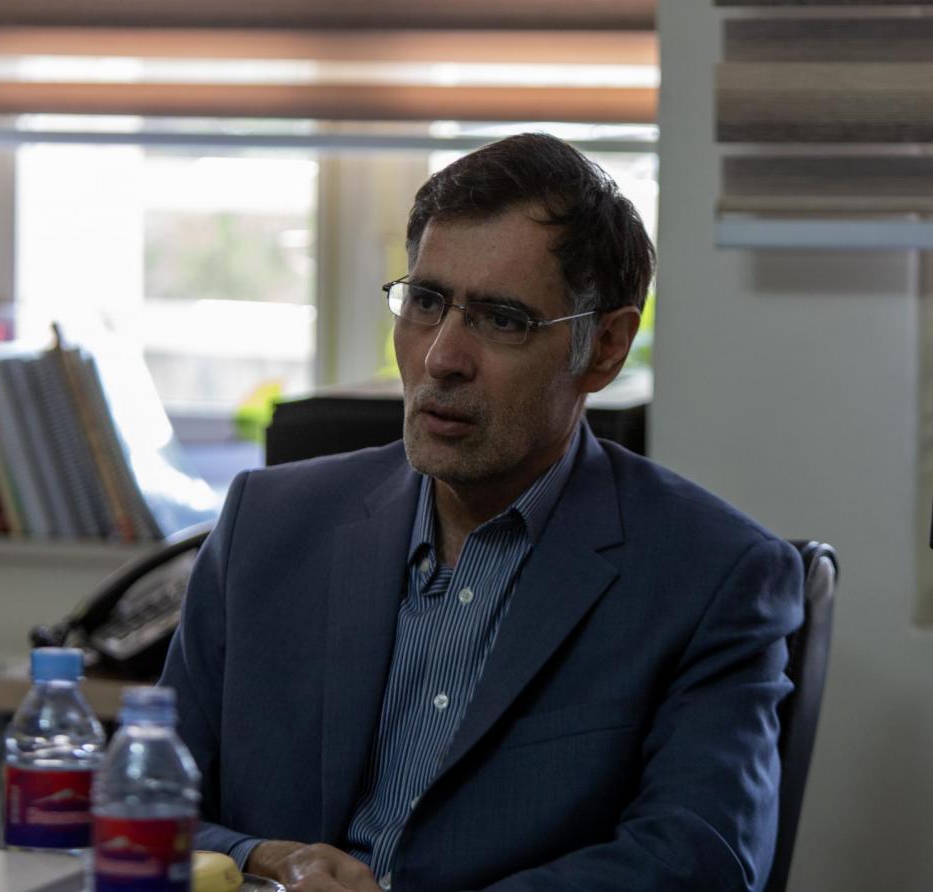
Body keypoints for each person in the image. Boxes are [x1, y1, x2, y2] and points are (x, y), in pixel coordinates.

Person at [158, 132, 803, 892]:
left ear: (605, 347)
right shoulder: (267, 524)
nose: (441, 358)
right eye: (426, 302)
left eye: (502, 319)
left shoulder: (713, 576)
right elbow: (143, 803)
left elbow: (701, 859)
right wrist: (261, 859)